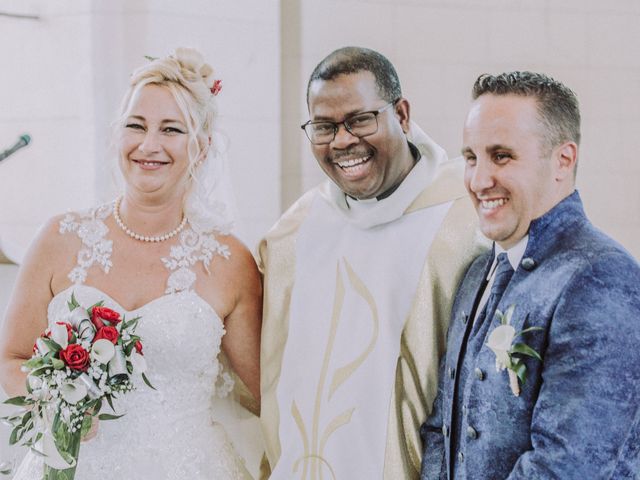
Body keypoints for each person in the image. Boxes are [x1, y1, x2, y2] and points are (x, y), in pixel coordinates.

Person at [0, 47, 262, 479]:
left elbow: (262, 392)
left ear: (202, 147)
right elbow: (11, 357)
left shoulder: (230, 262)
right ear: (116, 135)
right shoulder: (58, 240)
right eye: (135, 126)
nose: (149, 145)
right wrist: (57, 395)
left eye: (171, 129)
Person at [258, 46, 485, 479]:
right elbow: (265, 377)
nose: (342, 141)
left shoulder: (464, 219)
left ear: (401, 115)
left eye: (360, 119)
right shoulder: (294, 232)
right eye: (324, 127)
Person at [420, 71, 640, 479]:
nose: (478, 180)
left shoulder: (601, 278)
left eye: (501, 156)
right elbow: (441, 429)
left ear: (563, 160)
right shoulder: (476, 273)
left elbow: (568, 466)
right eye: (471, 157)